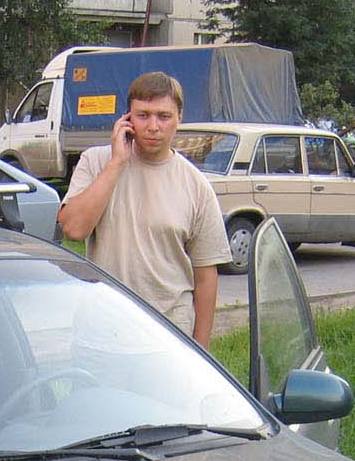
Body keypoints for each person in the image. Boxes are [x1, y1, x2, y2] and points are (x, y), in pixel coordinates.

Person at [57, 71, 232, 349]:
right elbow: (74, 229)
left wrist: (200, 350)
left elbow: (205, 276)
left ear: (179, 118)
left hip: (167, 338)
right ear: (127, 118)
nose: (153, 126)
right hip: (101, 333)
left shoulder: (196, 185)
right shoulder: (96, 161)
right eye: (143, 115)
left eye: (164, 116)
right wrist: (117, 163)